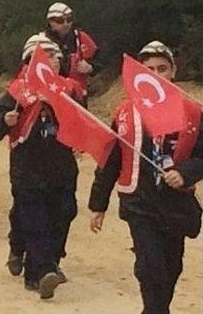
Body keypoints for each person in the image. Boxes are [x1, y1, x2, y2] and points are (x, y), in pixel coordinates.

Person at [88, 41, 203, 314]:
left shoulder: (193, 111)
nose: (155, 74)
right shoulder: (125, 112)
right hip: (139, 203)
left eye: (162, 68)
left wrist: (184, 174)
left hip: (175, 204)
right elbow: (111, 159)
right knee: (150, 268)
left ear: (173, 71)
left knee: (171, 268)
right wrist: (98, 204)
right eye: (148, 68)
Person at [0, 33, 80, 299]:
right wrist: (5, 120)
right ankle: (39, 272)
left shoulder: (70, 90)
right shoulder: (17, 92)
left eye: (55, 57)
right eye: (46, 57)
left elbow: (81, 121)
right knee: (35, 218)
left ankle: (45, 260)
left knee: (64, 212)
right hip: (28, 168)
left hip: (62, 167)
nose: (52, 62)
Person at [44, 1, 99, 105]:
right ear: (50, 22)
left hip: (78, 95)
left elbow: (99, 59)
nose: (65, 24)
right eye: (60, 20)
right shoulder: (43, 42)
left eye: (69, 20)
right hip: (53, 95)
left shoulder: (81, 37)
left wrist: (90, 67)